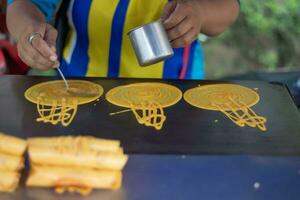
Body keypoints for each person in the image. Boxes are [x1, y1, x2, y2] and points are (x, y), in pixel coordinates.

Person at [6, 0, 240, 79]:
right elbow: (23, 5)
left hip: (175, 95)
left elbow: (228, 7)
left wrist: (200, 12)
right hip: (80, 89)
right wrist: (29, 30)